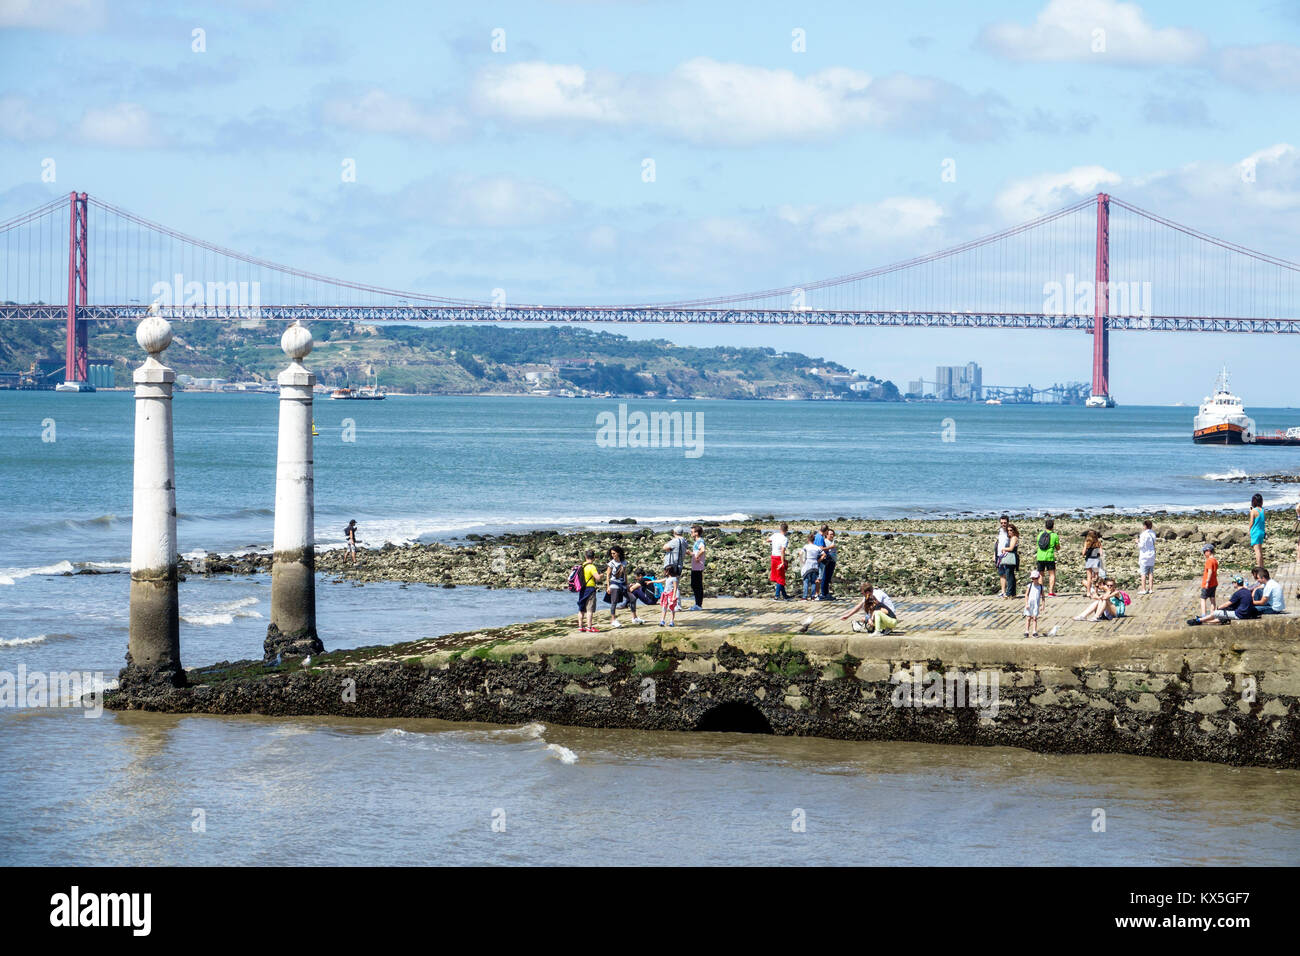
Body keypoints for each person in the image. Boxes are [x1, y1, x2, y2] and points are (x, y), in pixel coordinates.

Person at [1189, 574, 1258, 625]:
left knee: (1216, 613)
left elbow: (1227, 603)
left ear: (1236, 583)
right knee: (1223, 616)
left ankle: (1199, 620)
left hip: (1239, 614)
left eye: (1233, 583)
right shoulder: (1247, 591)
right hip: (1247, 613)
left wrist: (1218, 608)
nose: (1233, 584)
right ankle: (1203, 621)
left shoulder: (1238, 593)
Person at [576, 549, 603, 632]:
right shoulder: (592, 567)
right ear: (594, 558)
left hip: (582, 588)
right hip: (590, 588)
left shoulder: (582, 566)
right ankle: (589, 627)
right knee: (589, 609)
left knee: (581, 609)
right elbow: (597, 578)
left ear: (585, 557)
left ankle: (580, 626)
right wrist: (601, 575)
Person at [1034, 518, 1059, 597]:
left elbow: (1038, 544)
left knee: (1041, 574)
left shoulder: (1040, 534)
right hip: (1049, 557)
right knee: (1052, 574)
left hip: (1040, 557)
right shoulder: (1054, 535)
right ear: (1053, 526)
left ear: (1045, 526)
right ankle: (1051, 592)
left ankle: (1041, 592)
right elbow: (1058, 547)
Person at [605, 545, 628, 628]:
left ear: (618, 553)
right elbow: (607, 575)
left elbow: (625, 574)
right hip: (613, 583)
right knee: (614, 602)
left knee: (632, 599)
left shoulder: (624, 562)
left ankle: (634, 617)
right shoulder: (611, 563)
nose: (612, 555)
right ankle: (613, 619)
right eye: (611, 553)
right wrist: (608, 586)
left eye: (614, 553)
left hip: (622, 584)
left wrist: (627, 584)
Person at [768, 521, 790, 600]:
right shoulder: (784, 539)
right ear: (786, 530)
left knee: (778, 576)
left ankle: (784, 595)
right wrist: (782, 562)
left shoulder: (775, 535)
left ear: (780, 529)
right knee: (780, 577)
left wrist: (774, 541)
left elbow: (768, 540)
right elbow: (783, 550)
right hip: (778, 557)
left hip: (773, 556)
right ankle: (777, 596)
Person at [999, 521, 1021, 599]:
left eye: (1011, 530)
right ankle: (1013, 593)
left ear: (1014, 531)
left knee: (1009, 575)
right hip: (1010, 557)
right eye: (1008, 530)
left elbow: (1011, 548)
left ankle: (1009, 593)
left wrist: (1003, 549)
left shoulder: (1014, 538)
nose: (1009, 532)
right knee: (1010, 575)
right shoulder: (1011, 538)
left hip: (1011, 557)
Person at [799, 532, 823, 600]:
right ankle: (812, 596)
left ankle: (805, 596)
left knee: (806, 581)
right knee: (813, 581)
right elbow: (824, 554)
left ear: (808, 539)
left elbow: (800, 553)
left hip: (808, 564)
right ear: (814, 540)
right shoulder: (817, 547)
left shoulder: (806, 546)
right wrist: (818, 560)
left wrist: (802, 561)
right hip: (815, 564)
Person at [688, 524, 706, 611]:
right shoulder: (696, 542)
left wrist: (697, 556)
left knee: (697, 585)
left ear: (696, 533)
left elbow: (702, 550)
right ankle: (697, 604)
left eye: (692, 532)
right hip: (695, 567)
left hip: (698, 567)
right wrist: (691, 553)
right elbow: (696, 552)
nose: (691, 533)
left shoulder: (700, 541)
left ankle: (698, 605)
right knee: (695, 585)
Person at [1136, 519, 1157, 595]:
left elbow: (1141, 546)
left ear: (1145, 526)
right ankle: (1151, 589)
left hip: (1144, 555)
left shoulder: (1143, 534)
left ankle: (1143, 589)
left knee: (1143, 573)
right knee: (1150, 572)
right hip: (1152, 554)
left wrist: (1137, 542)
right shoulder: (1153, 533)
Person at [1023, 568, 1045, 638]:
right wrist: (1026, 603)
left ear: (1038, 578)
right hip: (1029, 604)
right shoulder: (1030, 585)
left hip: (1036, 604)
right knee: (1028, 617)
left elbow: (1043, 596)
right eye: (1032, 578)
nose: (1034, 580)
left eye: (1035, 578)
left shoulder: (1040, 587)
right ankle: (1026, 631)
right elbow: (1026, 595)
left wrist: (1043, 605)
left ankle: (1034, 631)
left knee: (1035, 618)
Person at [1082, 530, 1103, 598]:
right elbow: (1101, 552)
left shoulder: (1087, 543)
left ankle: (1088, 592)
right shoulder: (1098, 543)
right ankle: (1096, 592)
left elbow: (1083, 552)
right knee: (1096, 577)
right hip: (1096, 560)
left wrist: (1084, 554)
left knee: (1089, 577)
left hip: (1089, 560)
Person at [1199, 543, 1218, 616]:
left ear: (1208, 551)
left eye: (1204, 552)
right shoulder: (1215, 560)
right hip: (1214, 583)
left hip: (1208, 583)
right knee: (1212, 599)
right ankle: (1213, 614)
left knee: (1203, 599)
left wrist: (1207, 581)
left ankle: (1203, 614)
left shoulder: (1209, 561)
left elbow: (1210, 571)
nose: (1204, 554)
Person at [819, 527, 838, 599]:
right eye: (830, 534)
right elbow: (821, 549)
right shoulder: (825, 541)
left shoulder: (833, 541)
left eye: (833, 534)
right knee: (825, 577)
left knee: (828, 577)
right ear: (826, 535)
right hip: (827, 560)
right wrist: (830, 547)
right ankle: (824, 593)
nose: (832, 536)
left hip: (833, 560)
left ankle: (826, 593)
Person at [1248, 493, 1266, 568]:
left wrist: (1249, 530)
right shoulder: (1263, 511)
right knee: (1260, 550)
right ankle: (1262, 566)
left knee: (1257, 551)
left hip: (1255, 532)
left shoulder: (1253, 511)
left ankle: (1259, 567)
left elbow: (1251, 522)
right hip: (1261, 531)